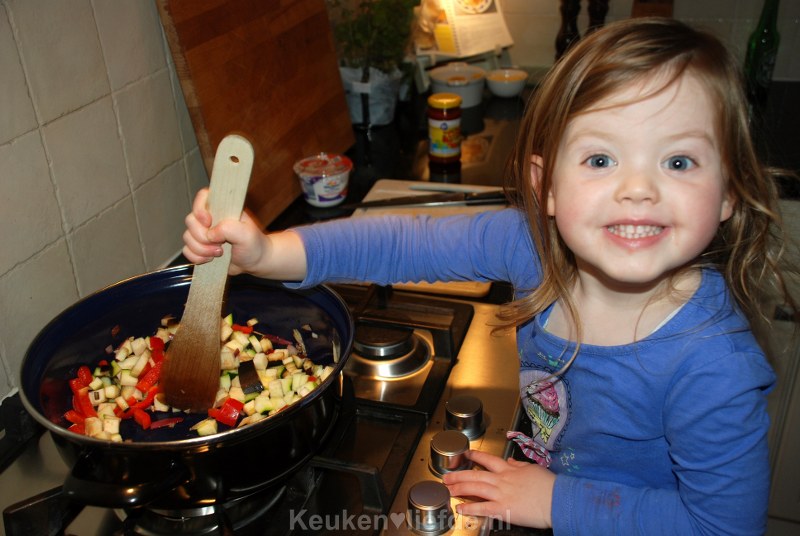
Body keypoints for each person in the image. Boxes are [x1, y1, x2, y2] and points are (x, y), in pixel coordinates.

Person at [182, 17, 798, 535]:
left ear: (729, 192)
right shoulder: (535, 247)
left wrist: (555, 502)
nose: (638, 188)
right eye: (601, 158)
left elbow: (724, 526)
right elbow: (404, 242)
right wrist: (269, 253)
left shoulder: (713, 368)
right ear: (544, 186)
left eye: (679, 161)